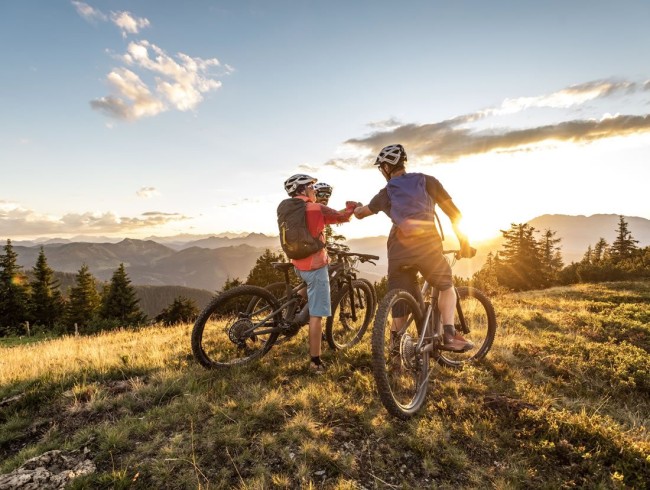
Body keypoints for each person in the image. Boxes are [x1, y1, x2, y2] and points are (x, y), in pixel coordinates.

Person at [353, 144, 476, 352]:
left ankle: (395, 350)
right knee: (446, 286)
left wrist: (355, 208)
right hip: (427, 247)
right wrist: (464, 242)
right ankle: (449, 334)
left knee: (399, 301)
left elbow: (361, 213)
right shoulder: (428, 182)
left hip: (398, 251)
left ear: (385, 167)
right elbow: (454, 214)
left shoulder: (386, 192)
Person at [281, 174, 356, 373]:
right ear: (303, 190)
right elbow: (341, 217)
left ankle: (292, 310)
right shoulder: (316, 208)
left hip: (297, 263)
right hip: (315, 266)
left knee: (308, 285)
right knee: (317, 316)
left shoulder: (288, 208)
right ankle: (315, 362)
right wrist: (351, 207)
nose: (314, 191)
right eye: (312, 188)